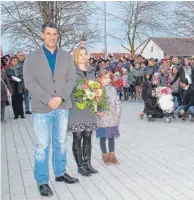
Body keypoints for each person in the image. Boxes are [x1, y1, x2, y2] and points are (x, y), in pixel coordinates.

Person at [23, 22, 78, 197]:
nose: (52, 37)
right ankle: (42, 180)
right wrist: (49, 100)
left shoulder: (66, 56)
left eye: (55, 34)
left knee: (60, 142)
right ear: (42, 35)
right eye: (48, 34)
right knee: (42, 145)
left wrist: (60, 98)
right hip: (41, 108)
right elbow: (29, 83)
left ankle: (60, 173)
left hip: (62, 107)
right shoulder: (31, 58)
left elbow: (71, 80)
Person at [68, 47, 98, 177]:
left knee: (87, 136)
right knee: (78, 136)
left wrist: (96, 94)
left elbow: (96, 86)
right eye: (80, 54)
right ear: (76, 56)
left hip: (89, 108)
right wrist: (80, 95)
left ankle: (87, 163)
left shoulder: (92, 70)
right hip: (76, 108)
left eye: (85, 54)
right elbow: (68, 88)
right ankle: (80, 166)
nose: (83, 56)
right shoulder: (71, 70)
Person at [96, 70, 121, 165]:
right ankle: (105, 156)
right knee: (103, 137)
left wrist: (117, 115)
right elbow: (93, 105)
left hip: (112, 118)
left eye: (109, 78)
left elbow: (117, 102)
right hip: (102, 119)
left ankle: (112, 155)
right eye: (105, 78)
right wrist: (97, 112)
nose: (107, 80)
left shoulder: (113, 89)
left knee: (111, 137)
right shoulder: (96, 90)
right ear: (99, 79)